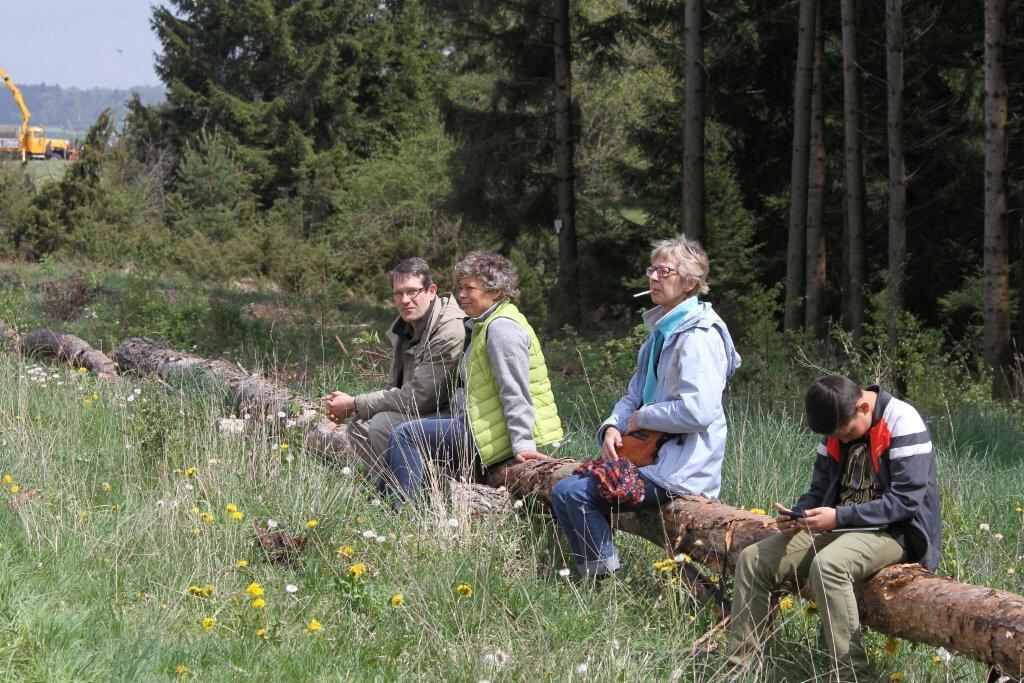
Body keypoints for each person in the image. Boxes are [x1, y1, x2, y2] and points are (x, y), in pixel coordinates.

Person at [550, 234, 740, 581]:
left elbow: (699, 411)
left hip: (681, 471)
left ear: (690, 283)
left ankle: (603, 584)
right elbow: (633, 396)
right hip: (652, 460)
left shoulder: (699, 337)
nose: (653, 277)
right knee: (566, 487)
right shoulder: (660, 334)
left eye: (664, 271)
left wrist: (644, 417)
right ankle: (599, 577)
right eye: (652, 269)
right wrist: (612, 425)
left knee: (575, 493)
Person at [726, 375, 941, 681]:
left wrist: (838, 518)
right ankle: (739, 670)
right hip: (841, 526)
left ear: (863, 407)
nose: (841, 440)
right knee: (753, 560)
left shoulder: (902, 421)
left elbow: (905, 502)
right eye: (835, 436)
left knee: (828, 566)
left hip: (897, 532)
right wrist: (797, 514)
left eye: (846, 433)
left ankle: (850, 676)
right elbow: (819, 489)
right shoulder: (835, 425)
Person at [380, 251, 563, 504]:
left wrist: (523, 446)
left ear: (495, 291)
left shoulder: (502, 328)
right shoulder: (484, 324)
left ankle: (401, 510)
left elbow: (515, 391)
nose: (461, 295)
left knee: (406, 435)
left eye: (469, 288)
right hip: (482, 428)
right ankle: (381, 502)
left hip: (491, 437)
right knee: (404, 432)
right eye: (460, 288)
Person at [324, 258, 465, 469]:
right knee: (359, 426)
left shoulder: (449, 330)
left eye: (412, 291)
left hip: (455, 421)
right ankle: (394, 483)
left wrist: (356, 403)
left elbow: (421, 398)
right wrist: (357, 409)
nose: (405, 300)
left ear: (431, 291)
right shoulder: (406, 327)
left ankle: (419, 487)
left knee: (382, 424)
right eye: (398, 293)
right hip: (426, 412)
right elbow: (393, 387)